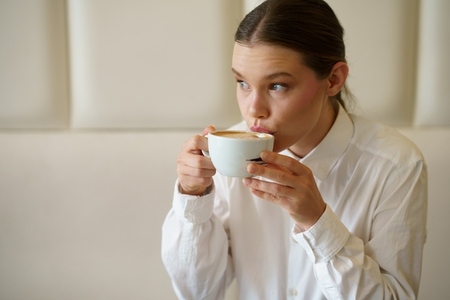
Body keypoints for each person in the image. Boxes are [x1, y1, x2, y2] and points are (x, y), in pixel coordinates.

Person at [161, 0, 428, 299]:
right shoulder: (227, 152)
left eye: (277, 86)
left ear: (334, 80)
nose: (254, 112)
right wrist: (192, 198)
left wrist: (318, 222)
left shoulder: (397, 165)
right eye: (242, 82)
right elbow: (197, 292)